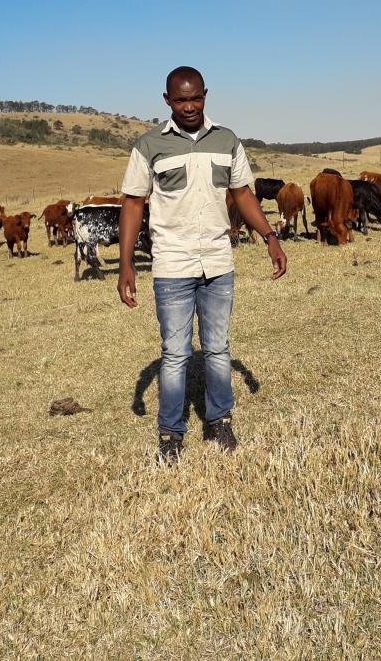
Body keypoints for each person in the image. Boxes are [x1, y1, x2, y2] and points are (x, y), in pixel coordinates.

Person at [118, 66, 287, 464]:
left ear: (206, 95)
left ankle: (219, 421)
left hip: (218, 261)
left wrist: (270, 237)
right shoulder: (148, 146)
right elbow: (132, 203)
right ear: (167, 101)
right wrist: (126, 264)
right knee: (175, 353)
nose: (190, 106)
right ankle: (171, 433)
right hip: (172, 265)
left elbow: (243, 194)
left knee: (217, 348)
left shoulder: (227, 141)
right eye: (181, 100)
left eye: (196, 98)